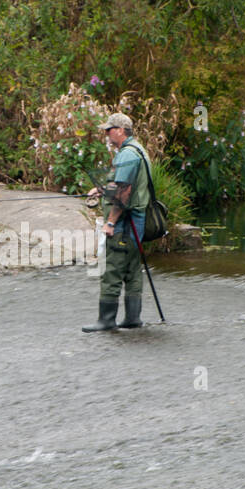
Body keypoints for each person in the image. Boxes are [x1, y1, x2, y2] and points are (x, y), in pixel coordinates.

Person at [83, 112, 151, 331]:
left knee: (112, 267)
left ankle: (106, 320)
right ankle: (133, 318)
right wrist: (101, 190)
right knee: (132, 268)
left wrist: (110, 223)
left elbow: (124, 192)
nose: (106, 133)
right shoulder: (138, 150)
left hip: (125, 222)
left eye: (109, 129)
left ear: (121, 130)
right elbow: (122, 184)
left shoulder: (127, 155)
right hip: (137, 220)